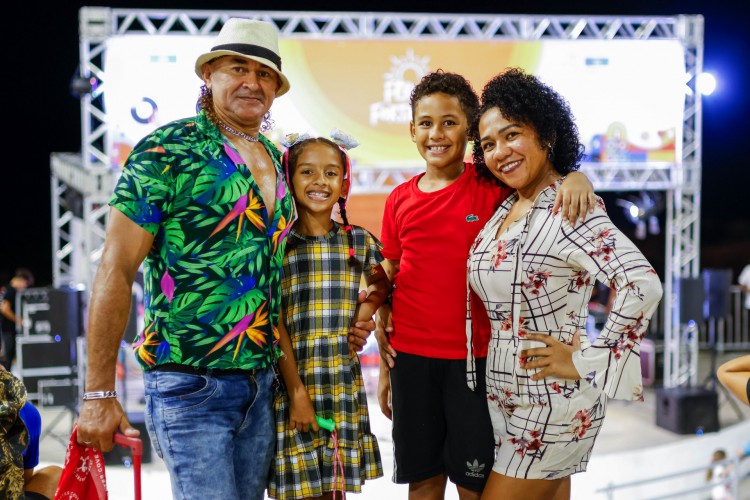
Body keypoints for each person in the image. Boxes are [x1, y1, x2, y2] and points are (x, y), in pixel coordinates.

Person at [75, 18, 301, 500]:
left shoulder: (280, 158)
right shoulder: (165, 151)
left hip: (262, 386)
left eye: (264, 75)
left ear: (276, 89)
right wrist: (97, 393)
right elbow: (115, 267)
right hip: (189, 383)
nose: (252, 82)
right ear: (210, 74)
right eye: (238, 68)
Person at [370, 70, 596, 500]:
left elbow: (543, 183)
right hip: (411, 360)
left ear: (470, 130)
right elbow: (391, 272)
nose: (436, 133)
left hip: (476, 363)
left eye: (450, 122)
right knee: (422, 483)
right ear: (412, 130)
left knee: (473, 485)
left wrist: (575, 177)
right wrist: (384, 352)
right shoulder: (399, 199)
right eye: (425, 123)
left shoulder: (492, 186)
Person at [466, 67, 663, 499]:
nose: (501, 151)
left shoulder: (570, 206)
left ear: (545, 134)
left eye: (512, 134)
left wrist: (589, 361)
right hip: (502, 398)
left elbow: (642, 284)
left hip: (552, 401)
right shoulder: (507, 209)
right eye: (488, 144)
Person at [268, 131, 388, 499]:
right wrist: (296, 393)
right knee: (299, 490)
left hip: (339, 383)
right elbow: (274, 323)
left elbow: (383, 282)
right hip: (293, 384)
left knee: (333, 489)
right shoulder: (278, 246)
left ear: (344, 181)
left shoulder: (358, 241)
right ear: (289, 179)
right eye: (307, 172)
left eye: (331, 173)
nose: (320, 181)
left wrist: (364, 315)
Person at [19, 400, 64, 500]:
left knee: (55, 473)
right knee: (55, 473)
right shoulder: (27, 411)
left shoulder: (27, 411)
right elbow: (24, 478)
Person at [1, 268, 34, 370]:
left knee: (8, 359)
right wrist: (20, 321)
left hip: (6, 330)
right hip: (7, 330)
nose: (25, 287)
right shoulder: (11, 291)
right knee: (7, 359)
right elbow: (4, 309)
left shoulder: (8, 289)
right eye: (25, 284)